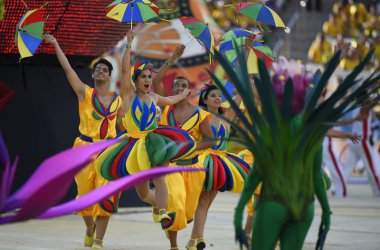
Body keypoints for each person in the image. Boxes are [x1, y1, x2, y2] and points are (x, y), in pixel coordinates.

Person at [95, 30, 196, 231]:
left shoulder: (153, 98)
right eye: (144, 77)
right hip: (132, 145)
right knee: (142, 194)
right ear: (136, 79)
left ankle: (163, 212)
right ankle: (155, 207)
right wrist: (129, 44)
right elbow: (124, 71)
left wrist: (183, 94)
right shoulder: (129, 95)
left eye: (150, 77)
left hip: (153, 142)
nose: (148, 80)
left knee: (159, 175)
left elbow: (169, 100)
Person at [45, 34, 122, 249]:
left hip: (107, 150)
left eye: (104, 70)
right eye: (97, 69)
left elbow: (130, 122)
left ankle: (99, 241)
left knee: (106, 196)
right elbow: (68, 69)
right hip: (83, 149)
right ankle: (90, 227)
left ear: (109, 76)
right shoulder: (84, 93)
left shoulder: (118, 99)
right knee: (84, 199)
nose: (100, 72)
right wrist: (56, 45)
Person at [153, 51, 215, 250]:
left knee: (187, 214)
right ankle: (173, 245)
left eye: (183, 86)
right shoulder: (165, 109)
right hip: (170, 167)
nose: (179, 88)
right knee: (175, 206)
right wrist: (171, 59)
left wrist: (192, 147)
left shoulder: (201, 114)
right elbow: (156, 80)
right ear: (172, 90)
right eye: (176, 86)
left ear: (189, 90)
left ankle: (184, 236)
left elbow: (210, 140)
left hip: (193, 168)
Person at [186, 83, 251, 250]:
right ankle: (199, 238)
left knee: (206, 204)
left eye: (219, 95)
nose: (218, 98)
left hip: (221, 163)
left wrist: (244, 79)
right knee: (202, 201)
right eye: (213, 95)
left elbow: (239, 98)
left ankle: (193, 240)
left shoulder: (228, 115)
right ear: (205, 100)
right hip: (204, 161)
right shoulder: (200, 116)